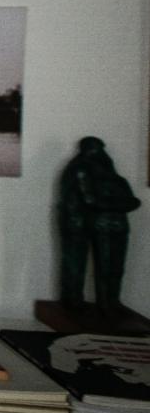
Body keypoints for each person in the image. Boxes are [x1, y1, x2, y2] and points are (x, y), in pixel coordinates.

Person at [58, 136, 141, 319]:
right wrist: (121, 204)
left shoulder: (116, 180)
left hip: (101, 225)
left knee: (112, 267)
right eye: (97, 150)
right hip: (82, 224)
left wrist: (121, 203)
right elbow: (91, 200)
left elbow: (133, 202)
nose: (103, 155)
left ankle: (106, 302)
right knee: (85, 265)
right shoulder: (80, 169)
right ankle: (77, 301)